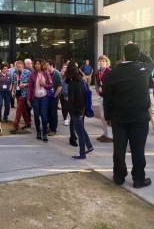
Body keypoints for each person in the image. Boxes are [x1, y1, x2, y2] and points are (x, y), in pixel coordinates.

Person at [104, 43, 153, 188]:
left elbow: (107, 97)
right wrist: (140, 52)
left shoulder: (113, 72)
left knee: (119, 149)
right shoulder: (143, 69)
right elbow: (150, 62)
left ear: (123, 56)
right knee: (138, 150)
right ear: (138, 56)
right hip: (139, 118)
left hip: (119, 118)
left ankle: (119, 176)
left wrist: (107, 116)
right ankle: (139, 179)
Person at [65, 61, 93, 159]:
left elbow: (71, 100)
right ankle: (89, 146)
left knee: (79, 132)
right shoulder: (82, 81)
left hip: (76, 110)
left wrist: (68, 104)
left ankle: (82, 153)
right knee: (82, 129)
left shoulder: (73, 83)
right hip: (82, 109)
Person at [27, 60, 52, 142]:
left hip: (44, 97)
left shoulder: (46, 73)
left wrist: (44, 85)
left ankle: (45, 133)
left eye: (38, 63)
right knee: (36, 116)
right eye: (36, 63)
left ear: (42, 65)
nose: (37, 65)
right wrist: (28, 99)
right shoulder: (32, 74)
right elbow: (30, 87)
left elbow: (51, 85)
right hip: (35, 98)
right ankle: (38, 131)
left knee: (44, 117)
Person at [95, 55, 113, 142]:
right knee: (102, 117)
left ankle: (110, 136)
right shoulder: (98, 72)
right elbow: (98, 83)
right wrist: (98, 89)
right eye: (100, 61)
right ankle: (105, 133)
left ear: (107, 62)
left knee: (107, 116)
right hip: (101, 96)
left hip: (108, 98)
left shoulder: (109, 71)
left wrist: (103, 87)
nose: (101, 62)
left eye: (103, 61)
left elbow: (112, 85)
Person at [10, 60, 31, 134]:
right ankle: (28, 123)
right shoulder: (15, 73)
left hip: (24, 93)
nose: (18, 68)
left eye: (19, 67)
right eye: (17, 67)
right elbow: (13, 83)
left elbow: (31, 83)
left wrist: (25, 85)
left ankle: (15, 126)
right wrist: (13, 91)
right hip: (17, 93)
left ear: (22, 66)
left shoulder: (27, 72)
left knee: (18, 110)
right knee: (23, 109)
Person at [60, 64, 78, 146]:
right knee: (73, 120)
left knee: (74, 120)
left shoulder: (76, 78)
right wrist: (67, 96)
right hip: (70, 101)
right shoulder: (66, 78)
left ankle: (74, 136)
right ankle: (73, 137)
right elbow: (64, 90)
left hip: (76, 102)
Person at [46, 60, 62, 136]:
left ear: (52, 65)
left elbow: (60, 86)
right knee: (48, 112)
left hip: (54, 96)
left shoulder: (57, 73)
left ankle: (53, 129)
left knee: (53, 113)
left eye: (47, 65)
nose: (46, 67)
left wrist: (55, 96)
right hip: (47, 96)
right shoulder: (46, 73)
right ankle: (50, 127)